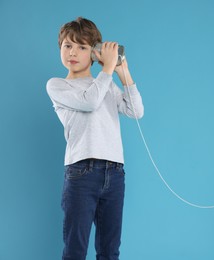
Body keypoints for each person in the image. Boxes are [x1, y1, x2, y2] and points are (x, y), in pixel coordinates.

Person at [46, 17, 144, 260]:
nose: (73, 52)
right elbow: (90, 101)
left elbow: (136, 111)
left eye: (82, 47)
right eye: (67, 45)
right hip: (81, 173)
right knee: (75, 250)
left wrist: (123, 72)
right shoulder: (57, 86)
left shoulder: (106, 83)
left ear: (93, 52)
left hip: (114, 172)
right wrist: (107, 70)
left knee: (110, 251)